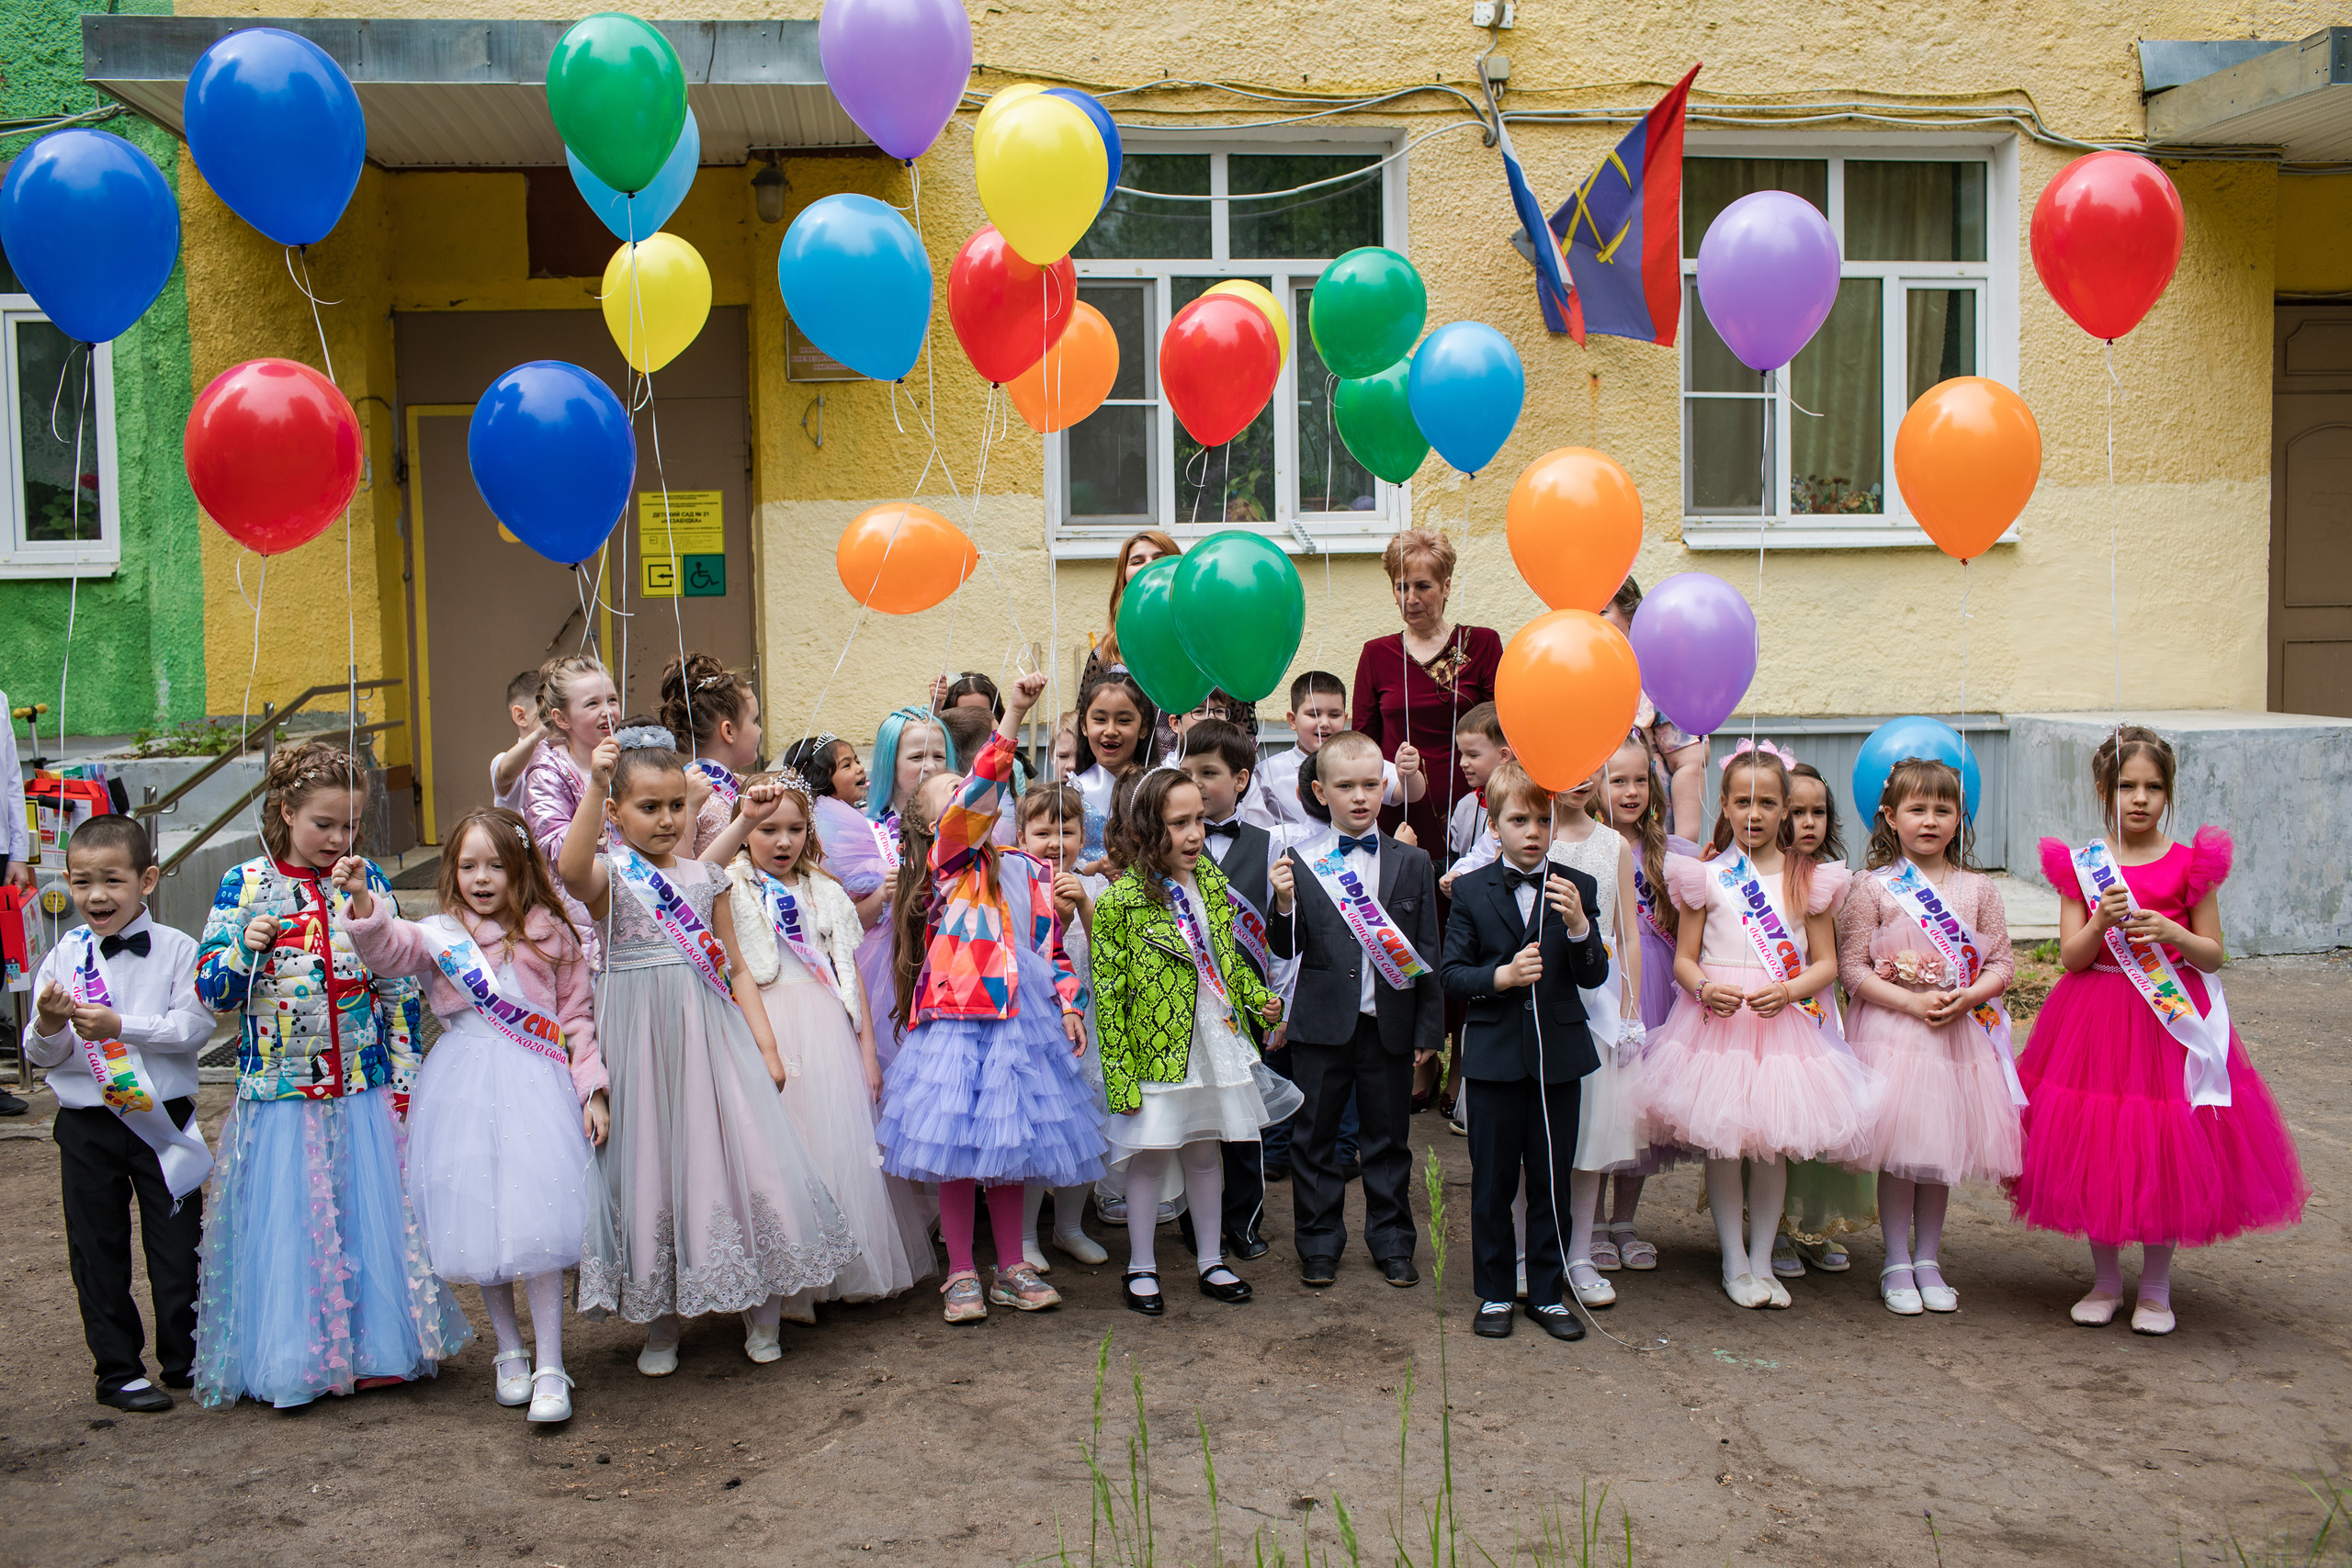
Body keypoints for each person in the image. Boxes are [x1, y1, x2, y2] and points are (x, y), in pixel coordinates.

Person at [560, 720, 855, 1373]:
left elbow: (739, 969)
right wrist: (593, 783)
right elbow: (570, 867)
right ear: (615, 812)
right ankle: (662, 1323)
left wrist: (768, 1046)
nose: (667, 819)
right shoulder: (610, 878)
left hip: (714, 1043)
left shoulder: (705, 878)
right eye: (649, 807)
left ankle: (764, 1308)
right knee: (654, 1168)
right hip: (642, 1049)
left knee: (744, 1160)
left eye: (675, 805)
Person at [193, 739, 471, 1408]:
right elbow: (212, 991)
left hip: (364, 1088)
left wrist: (405, 1080)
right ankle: (298, 1358)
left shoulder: (365, 881)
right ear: (286, 811)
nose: (339, 838)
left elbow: (399, 986)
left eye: (351, 823)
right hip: (281, 1093)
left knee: (365, 1220)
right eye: (324, 823)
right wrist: (242, 948)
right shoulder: (246, 884)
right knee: (294, 1228)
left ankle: (376, 1350)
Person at [2012, 726, 2308, 1336]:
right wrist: (2099, 921)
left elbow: (2213, 953)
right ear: (2103, 789)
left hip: (2169, 1019)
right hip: (2093, 1017)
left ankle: (2154, 1287)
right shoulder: (2084, 865)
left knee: (2165, 1142)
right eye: (2126, 786)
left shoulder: (2188, 864)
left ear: (2169, 792)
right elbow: (2070, 956)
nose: (2139, 798)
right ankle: (2104, 1280)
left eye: (2153, 787)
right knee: (2096, 1144)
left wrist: (2172, 934)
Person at [342, 807, 603, 1423]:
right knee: (480, 1218)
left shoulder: (553, 932)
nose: (481, 878)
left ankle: (551, 1363)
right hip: (462, 1087)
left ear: (521, 869)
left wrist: (593, 1088)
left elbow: (577, 1022)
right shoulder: (439, 933)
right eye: (467, 865)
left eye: (496, 865)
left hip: (537, 1086)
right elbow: (386, 948)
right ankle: (508, 1352)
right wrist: (360, 899)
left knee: (536, 1227)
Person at [874, 673, 1107, 1324]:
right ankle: (961, 1273)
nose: (968, 795)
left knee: (1010, 1154)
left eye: (966, 787)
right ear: (931, 823)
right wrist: (1015, 716)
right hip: (956, 1021)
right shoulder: (949, 861)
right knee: (956, 1154)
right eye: (948, 795)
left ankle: (1010, 1266)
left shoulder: (1030, 870)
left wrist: (1069, 1004)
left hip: (1021, 1025)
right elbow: (978, 793)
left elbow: (1051, 950)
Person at [1632, 745, 1870, 1311]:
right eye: (1743, 801)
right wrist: (1701, 987)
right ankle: (1733, 1260)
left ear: (1786, 808)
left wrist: (1788, 990)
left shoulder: (1807, 880)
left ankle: (1763, 1258)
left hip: (1780, 1023)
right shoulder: (1703, 876)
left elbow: (1826, 964)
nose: (1754, 814)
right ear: (1725, 803)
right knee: (1724, 1146)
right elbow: (1686, 958)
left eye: (1767, 802)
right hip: (1716, 1026)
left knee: (1770, 1150)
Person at [720, 770, 934, 1314]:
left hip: (826, 1031)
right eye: (769, 829)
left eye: (795, 828)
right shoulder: (729, 885)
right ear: (746, 830)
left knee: (833, 1149)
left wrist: (866, 1051)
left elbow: (851, 974)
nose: (783, 841)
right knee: (781, 1152)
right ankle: (790, 1282)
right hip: (763, 1025)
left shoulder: (827, 891)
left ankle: (838, 1270)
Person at [27, 815, 212, 1412]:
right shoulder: (64, 955)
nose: (97, 895)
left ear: (147, 879)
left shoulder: (181, 949)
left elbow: (192, 1028)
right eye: (82, 882)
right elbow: (41, 1053)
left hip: (164, 1118)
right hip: (87, 1123)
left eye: (112, 879)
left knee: (179, 1243)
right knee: (96, 1245)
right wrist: (50, 1025)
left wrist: (119, 1025)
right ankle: (117, 1369)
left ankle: (186, 1357)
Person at [1092, 768, 1283, 1315]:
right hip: (1156, 1051)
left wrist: (1257, 998)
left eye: (1199, 818)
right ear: (1146, 831)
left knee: (1205, 1155)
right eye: (1179, 824)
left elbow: (1227, 962)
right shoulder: (1120, 903)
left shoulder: (1214, 886)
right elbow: (1110, 999)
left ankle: (1209, 1259)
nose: (1195, 834)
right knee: (1150, 1158)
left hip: (1212, 1043)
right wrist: (1121, 1077)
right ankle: (1142, 1265)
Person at [1835, 759, 2018, 1318]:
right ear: (1890, 817)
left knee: (1938, 1151)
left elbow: (2004, 963)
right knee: (1900, 1152)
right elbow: (1852, 968)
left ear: (1961, 817)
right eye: (1918, 809)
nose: (1931, 821)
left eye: (1944, 809)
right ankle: (1895, 1260)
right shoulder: (1873, 887)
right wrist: (1911, 1000)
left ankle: (1929, 1260)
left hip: (1957, 1035)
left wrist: (1970, 996)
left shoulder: (1977, 888)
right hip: (1894, 1032)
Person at [1439, 764, 1611, 1342]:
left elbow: (1594, 976)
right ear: (1494, 824)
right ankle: (1493, 1291)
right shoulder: (1469, 889)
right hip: (1492, 1058)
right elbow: (1453, 975)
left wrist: (1582, 929)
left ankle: (1546, 1290)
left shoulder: (1575, 888)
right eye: (1519, 820)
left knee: (1550, 1179)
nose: (1534, 831)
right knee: (1491, 1183)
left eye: (1544, 819)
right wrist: (1503, 976)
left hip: (1558, 1059)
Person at [1268, 730, 1442, 1288]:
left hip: (1388, 1026)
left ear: (1386, 785)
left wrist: (1428, 1029)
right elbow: (1286, 947)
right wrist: (1284, 904)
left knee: (1388, 1140)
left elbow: (1428, 951)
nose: (1361, 797)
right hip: (1321, 1025)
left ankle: (1393, 1241)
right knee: (1314, 1138)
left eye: (1372, 784)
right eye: (1346, 786)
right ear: (1321, 791)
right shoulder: (1300, 860)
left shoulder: (1413, 861)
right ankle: (1318, 1243)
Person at [1177, 718, 1283, 1263]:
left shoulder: (1269, 845)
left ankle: (1243, 1220)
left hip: (1242, 1005)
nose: (1195, 783)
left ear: (1242, 779)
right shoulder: (1165, 845)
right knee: (1193, 1118)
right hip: (1181, 1004)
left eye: (1209, 773)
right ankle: (1193, 1221)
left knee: (1243, 1121)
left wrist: (1278, 1007)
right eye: (1186, 772)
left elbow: (1282, 935)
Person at [1546, 764, 1645, 1309]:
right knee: (1534, 1134)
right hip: (1541, 992)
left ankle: (1580, 1251)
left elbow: (1627, 934)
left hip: (1598, 1001)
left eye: (1590, 767)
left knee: (1589, 1135)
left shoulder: (1614, 846)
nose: (1578, 777)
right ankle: (1528, 1249)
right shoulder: (1526, 833)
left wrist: (1629, 1011)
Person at [1597, 732, 1692, 1273]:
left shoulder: (1672, 853)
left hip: (1655, 982)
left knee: (1639, 1107)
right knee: (1605, 1098)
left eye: (1640, 780)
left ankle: (1625, 1220)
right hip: (1603, 979)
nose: (1630, 792)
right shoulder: (1584, 843)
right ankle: (1587, 1224)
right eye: (1618, 780)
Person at [1775, 759, 1873, 1278]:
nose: (1808, 823)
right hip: (1770, 1016)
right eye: (1796, 811)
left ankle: (1813, 1224)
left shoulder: (1839, 879)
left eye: (1819, 813)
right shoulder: (1757, 874)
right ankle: (1774, 1230)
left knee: (1821, 1122)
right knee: (1777, 1123)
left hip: (1821, 1012)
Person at [1351, 527, 1501, 863]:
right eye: (1401, 587)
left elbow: (1500, 728)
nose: (1410, 598)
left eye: (1422, 586)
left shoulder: (1481, 644)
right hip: (1398, 805)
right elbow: (1364, 743)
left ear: (1446, 586)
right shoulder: (1376, 654)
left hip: (1473, 800)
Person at [1012, 783, 1112, 1270]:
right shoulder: (1015, 886)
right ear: (1020, 835)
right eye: (1043, 831)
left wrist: (1086, 911)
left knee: (1088, 1126)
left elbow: (1111, 958)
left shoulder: (1096, 887)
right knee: (1042, 1130)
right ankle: (1025, 1236)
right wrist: (1053, 916)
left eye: (1066, 832)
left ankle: (1069, 1227)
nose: (1055, 843)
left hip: (1087, 1025)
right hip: (1037, 1025)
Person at [849, 706, 959, 1062]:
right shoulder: (861, 833)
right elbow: (847, 923)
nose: (930, 766)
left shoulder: (967, 830)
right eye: (916, 757)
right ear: (889, 763)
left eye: (939, 756)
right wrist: (882, 896)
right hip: (886, 970)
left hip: (952, 963)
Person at [520, 653, 624, 964]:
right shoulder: (546, 773)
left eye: (613, 700)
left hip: (630, 906)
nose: (608, 711)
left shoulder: (629, 755)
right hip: (575, 921)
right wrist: (599, 794)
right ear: (562, 718)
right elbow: (557, 853)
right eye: (592, 704)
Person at [1243, 671, 1421, 844]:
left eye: (1334, 715)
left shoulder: (1361, 758)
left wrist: (1409, 773)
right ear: (1292, 720)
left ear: (1344, 719)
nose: (1324, 723)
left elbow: (1409, 793)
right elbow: (1256, 829)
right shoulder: (1267, 772)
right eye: (1313, 714)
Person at [1602, 577, 1710, 841]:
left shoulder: (1658, 676)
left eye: (1602, 611)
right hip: (1590, 840)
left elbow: (1688, 762)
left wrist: (1683, 846)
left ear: (1631, 615)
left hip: (1652, 839)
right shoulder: (1569, 676)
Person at [659, 652, 763, 856]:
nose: (759, 731)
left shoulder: (747, 784)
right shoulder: (686, 794)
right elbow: (677, 866)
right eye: (755, 721)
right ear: (729, 731)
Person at [1070, 671, 1157, 871]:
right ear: (1084, 725)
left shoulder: (1156, 791)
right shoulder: (1072, 792)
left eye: (1124, 721)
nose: (1110, 730)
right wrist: (1094, 868)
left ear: (1143, 728)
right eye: (1100, 719)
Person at [490, 670, 547, 815]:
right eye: (547, 710)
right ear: (521, 716)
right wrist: (540, 734)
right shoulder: (503, 761)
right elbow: (504, 774)